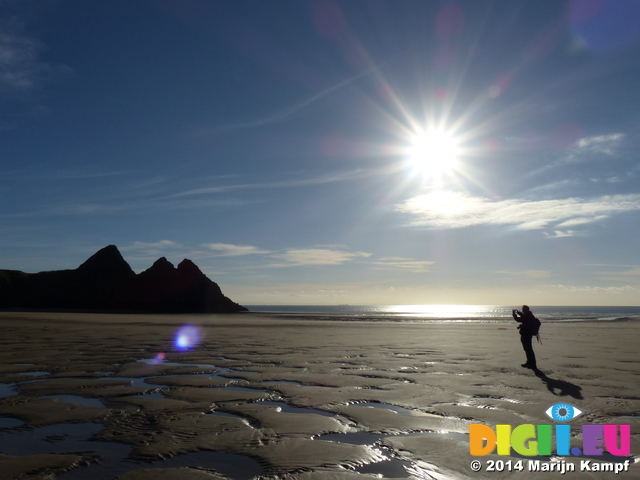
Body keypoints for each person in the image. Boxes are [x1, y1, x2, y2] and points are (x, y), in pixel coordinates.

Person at [512, 305, 538, 370]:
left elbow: (518, 319)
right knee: (528, 349)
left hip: (526, 334)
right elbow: (524, 318)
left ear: (526, 310)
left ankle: (531, 363)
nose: (522, 310)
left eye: (523, 309)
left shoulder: (528, 316)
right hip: (527, 334)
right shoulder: (529, 315)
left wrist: (514, 314)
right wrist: (518, 313)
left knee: (528, 349)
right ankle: (530, 362)